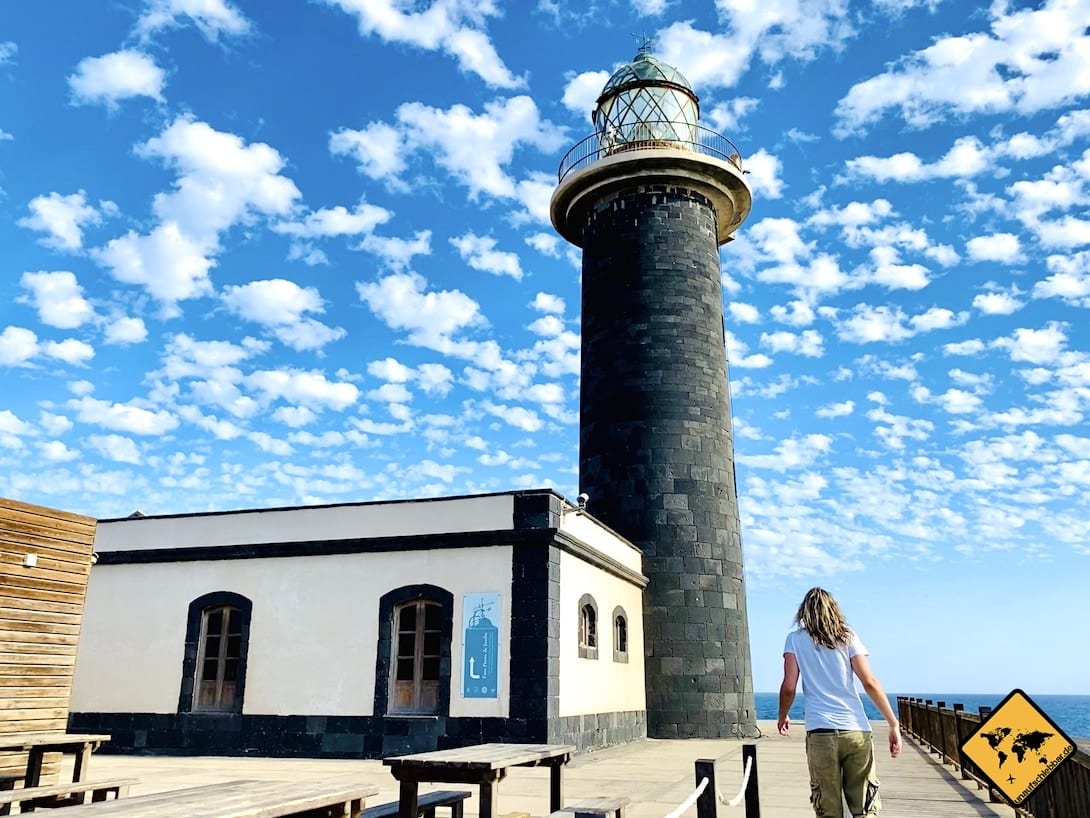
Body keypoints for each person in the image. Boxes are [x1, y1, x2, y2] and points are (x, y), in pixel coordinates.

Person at [777, 587, 902, 817]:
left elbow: (789, 687)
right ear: (833, 609)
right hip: (855, 730)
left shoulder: (794, 640)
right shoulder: (848, 636)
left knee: (828, 808)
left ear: (803, 612)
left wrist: (783, 715)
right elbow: (870, 682)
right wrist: (893, 723)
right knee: (864, 807)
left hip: (820, 732)